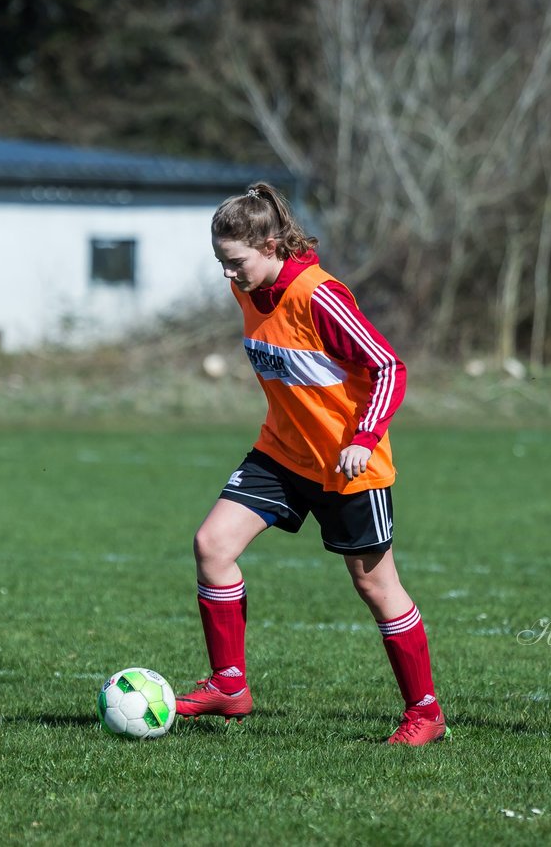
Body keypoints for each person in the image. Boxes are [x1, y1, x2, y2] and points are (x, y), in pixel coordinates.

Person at [175, 181, 447, 746]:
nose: (229, 275)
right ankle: (230, 684)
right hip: (282, 453)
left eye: (236, 262)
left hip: (348, 464)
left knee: (375, 587)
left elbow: (388, 367)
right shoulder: (248, 290)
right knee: (212, 545)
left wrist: (365, 437)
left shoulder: (320, 296)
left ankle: (425, 711)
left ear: (271, 244)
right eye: (221, 263)